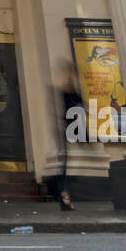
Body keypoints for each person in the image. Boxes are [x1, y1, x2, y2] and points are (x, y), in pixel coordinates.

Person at [54, 58, 83, 212]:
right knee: (65, 164)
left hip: (70, 127)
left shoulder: (68, 86)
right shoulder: (66, 87)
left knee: (65, 164)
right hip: (69, 127)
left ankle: (64, 196)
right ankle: (64, 196)